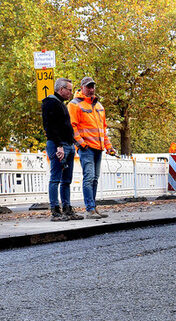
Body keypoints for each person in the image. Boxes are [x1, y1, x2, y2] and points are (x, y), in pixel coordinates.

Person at [68, 76, 116, 219]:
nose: (91, 89)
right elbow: (72, 127)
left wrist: (109, 147)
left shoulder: (99, 106)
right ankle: (90, 209)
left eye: (92, 86)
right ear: (82, 87)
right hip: (87, 148)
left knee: (94, 179)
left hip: (98, 148)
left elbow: (103, 130)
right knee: (89, 178)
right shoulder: (75, 104)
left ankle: (93, 208)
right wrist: (81, 144)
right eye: (88, 86)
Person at [41, 78, 82, 221]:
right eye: (69, 90)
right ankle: (55, 212)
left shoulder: (61, 104)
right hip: (59, 145)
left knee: (66, 180)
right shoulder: (50, 103)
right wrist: (59, 146)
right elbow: (50, 127)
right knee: (55, 179)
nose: (71, 93)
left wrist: (73, 143)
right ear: (61, 89)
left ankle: (67, 209)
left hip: (68, 145)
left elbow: (65, 126)